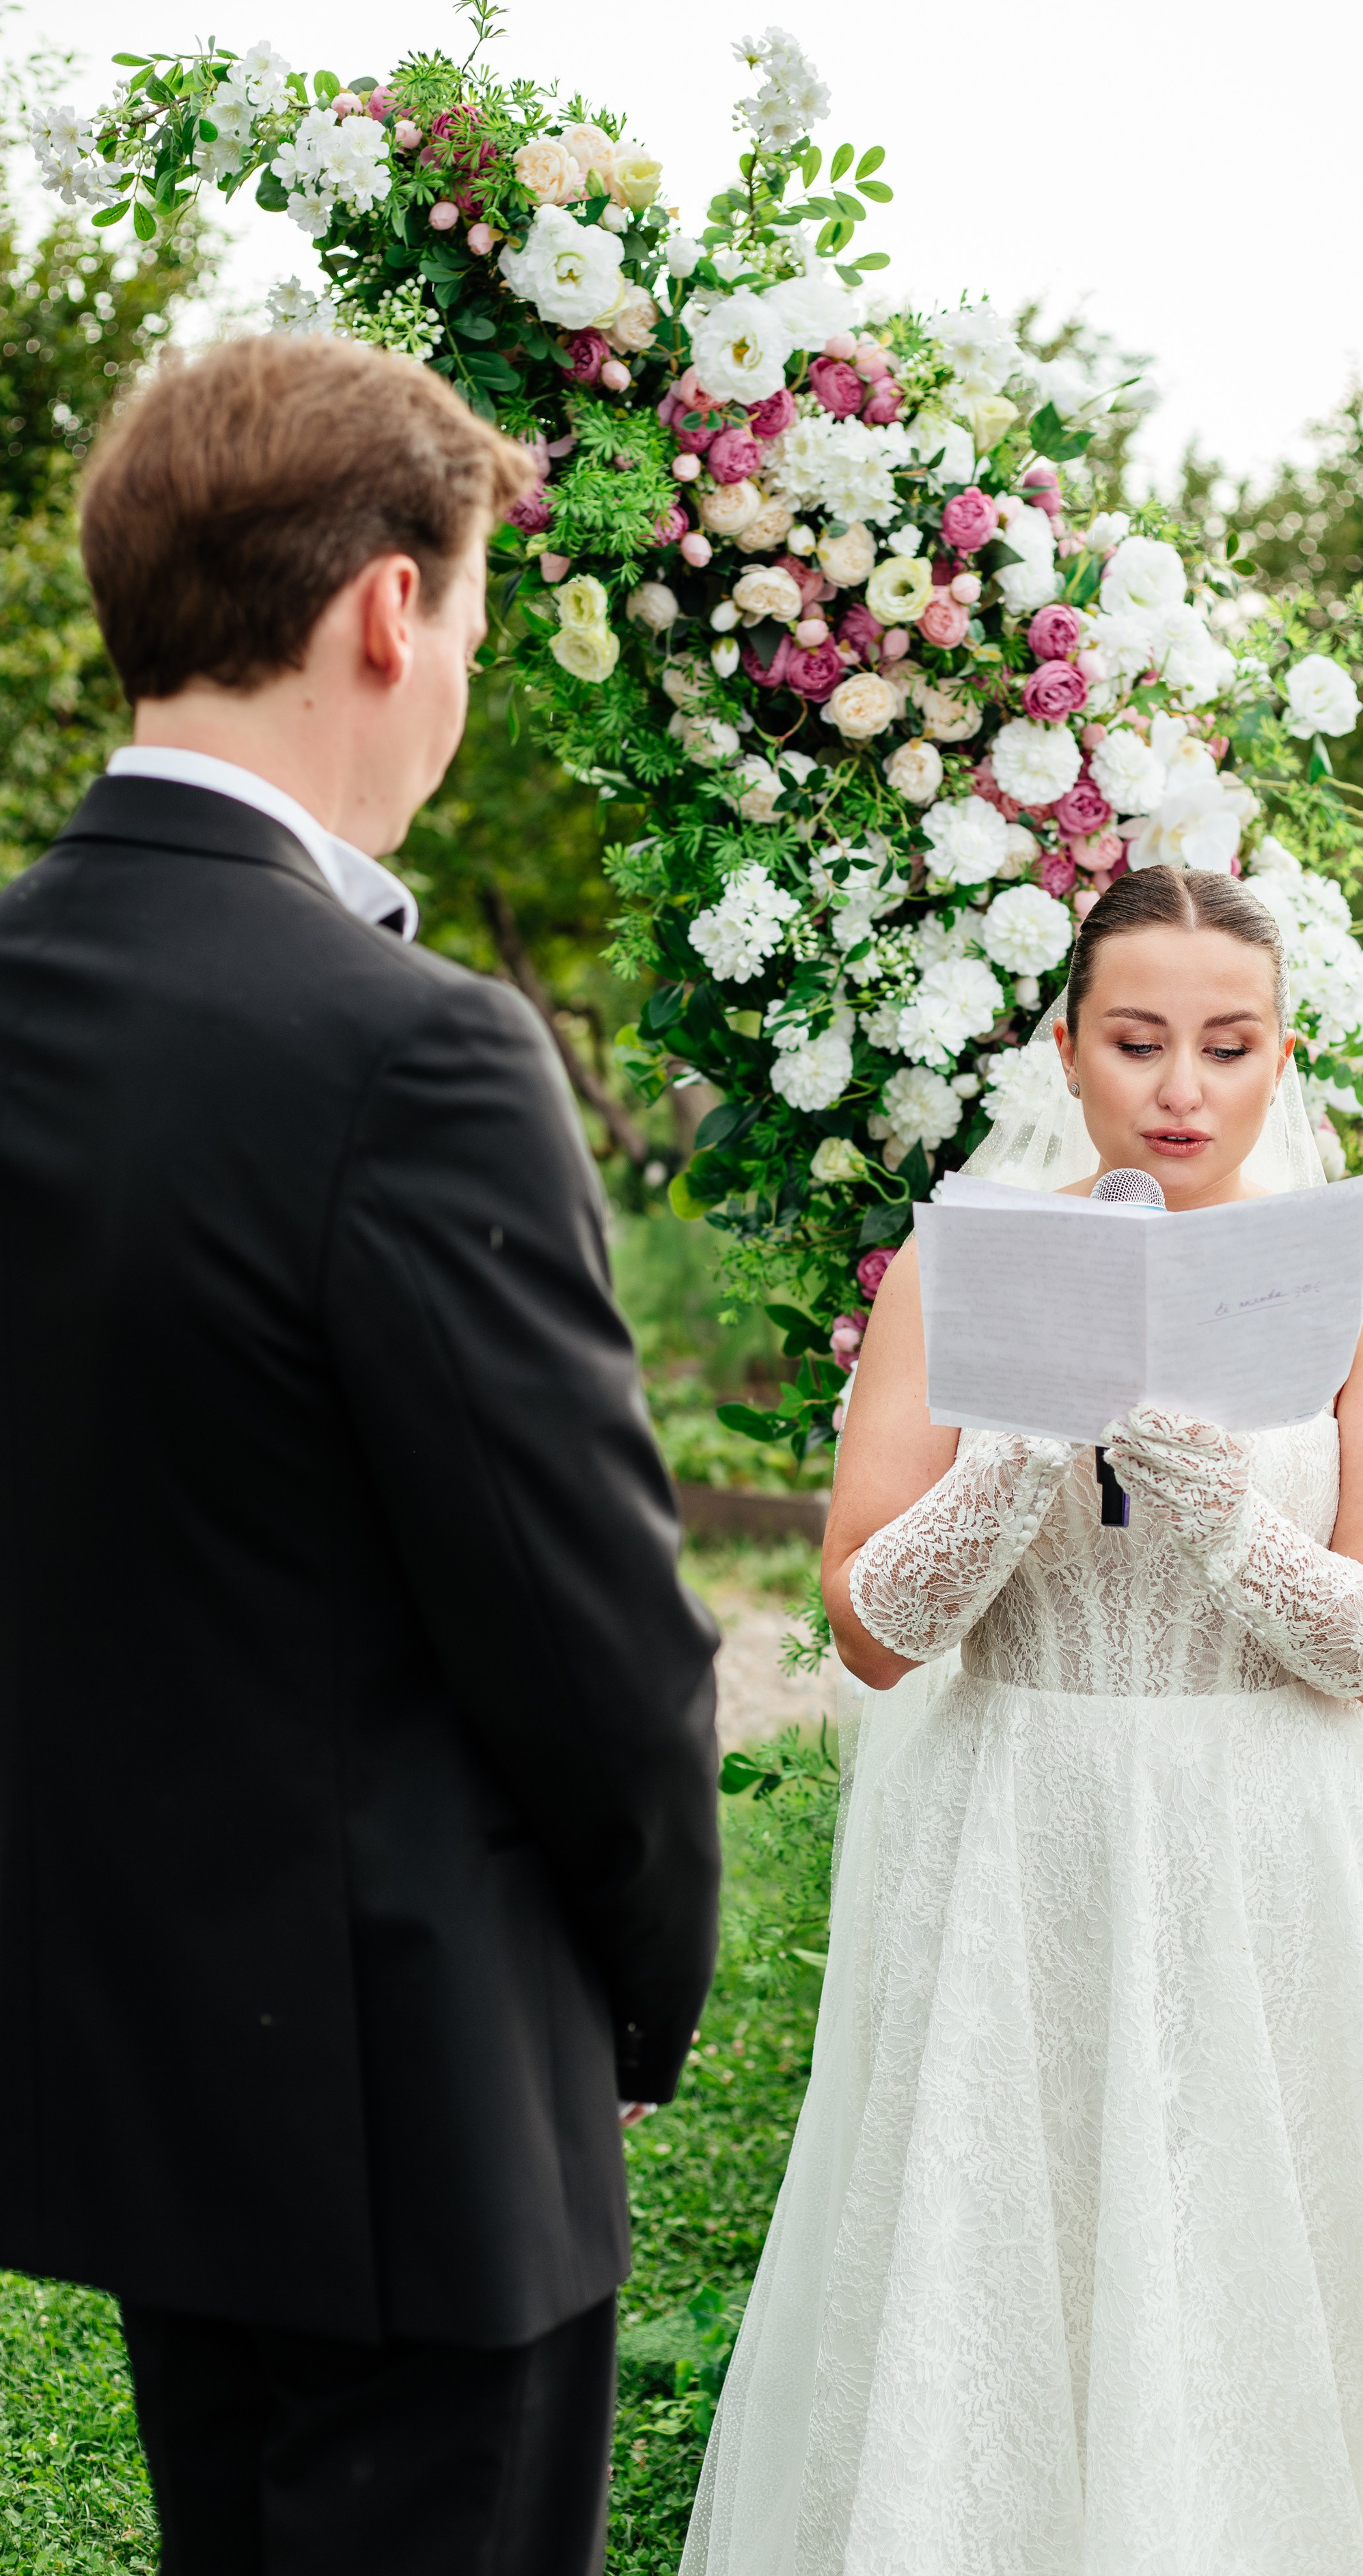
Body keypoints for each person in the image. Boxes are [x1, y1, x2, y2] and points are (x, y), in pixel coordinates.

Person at [683, 866, 1363, 2575]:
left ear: (1284, 1057)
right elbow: (868, 1632)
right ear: (1065, 1049)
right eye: (1135, 1041)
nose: (1180, 1088)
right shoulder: (946, 1277)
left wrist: (1224, 1516)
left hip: (1281, 1843)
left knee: (1292, 2273)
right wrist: (1010, 1469)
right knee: (1009, 2260)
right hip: (1020, 1830)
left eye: (1226, 1042)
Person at [0, 333, 721, 2576]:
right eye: (479, 637)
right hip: (420, 2102)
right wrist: (640, 1979)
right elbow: (591, 1636)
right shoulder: (410, 1052)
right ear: (390, 611)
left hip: (134, 2071)